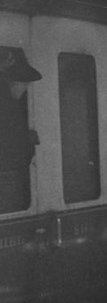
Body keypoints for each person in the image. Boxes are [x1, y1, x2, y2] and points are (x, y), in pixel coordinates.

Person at [0, 48, 41, 213]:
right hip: (7, 178)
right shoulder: (7, 108)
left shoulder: (11, 106)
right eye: (24, 81)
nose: (27, 85)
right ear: (11, 81)